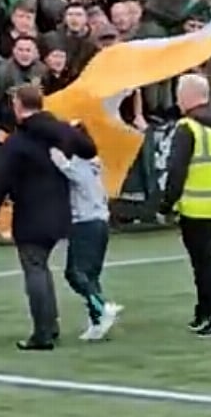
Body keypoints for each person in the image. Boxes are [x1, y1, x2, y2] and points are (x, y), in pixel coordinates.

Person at [0, 85, 96, 351]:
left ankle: (44, 332)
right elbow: (89, 149)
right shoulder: (60, 131)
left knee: (35, 269)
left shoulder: (17, 142)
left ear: (18, 106)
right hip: (59, 208)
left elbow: (0, 180)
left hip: (30, 211)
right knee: (42, 267)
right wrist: (78, 130)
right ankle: (51, 325)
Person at [159, 74, 211, 338]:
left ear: (187, 97)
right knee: (203, 261)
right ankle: (204, 312)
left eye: (178, 94)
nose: (176, 99)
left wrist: (165, 205)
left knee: (204, 264)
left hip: (196, 205)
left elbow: (177, 172)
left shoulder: (188, 127)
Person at [48, 122, 122, 341]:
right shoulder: (92, 164)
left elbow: (61, 164)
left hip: (86, 223)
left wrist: (52, 147)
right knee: (90, 274)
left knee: (74, 273)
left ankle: (101, 307)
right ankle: (97, 320)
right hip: (99, 221)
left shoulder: (78, 166)